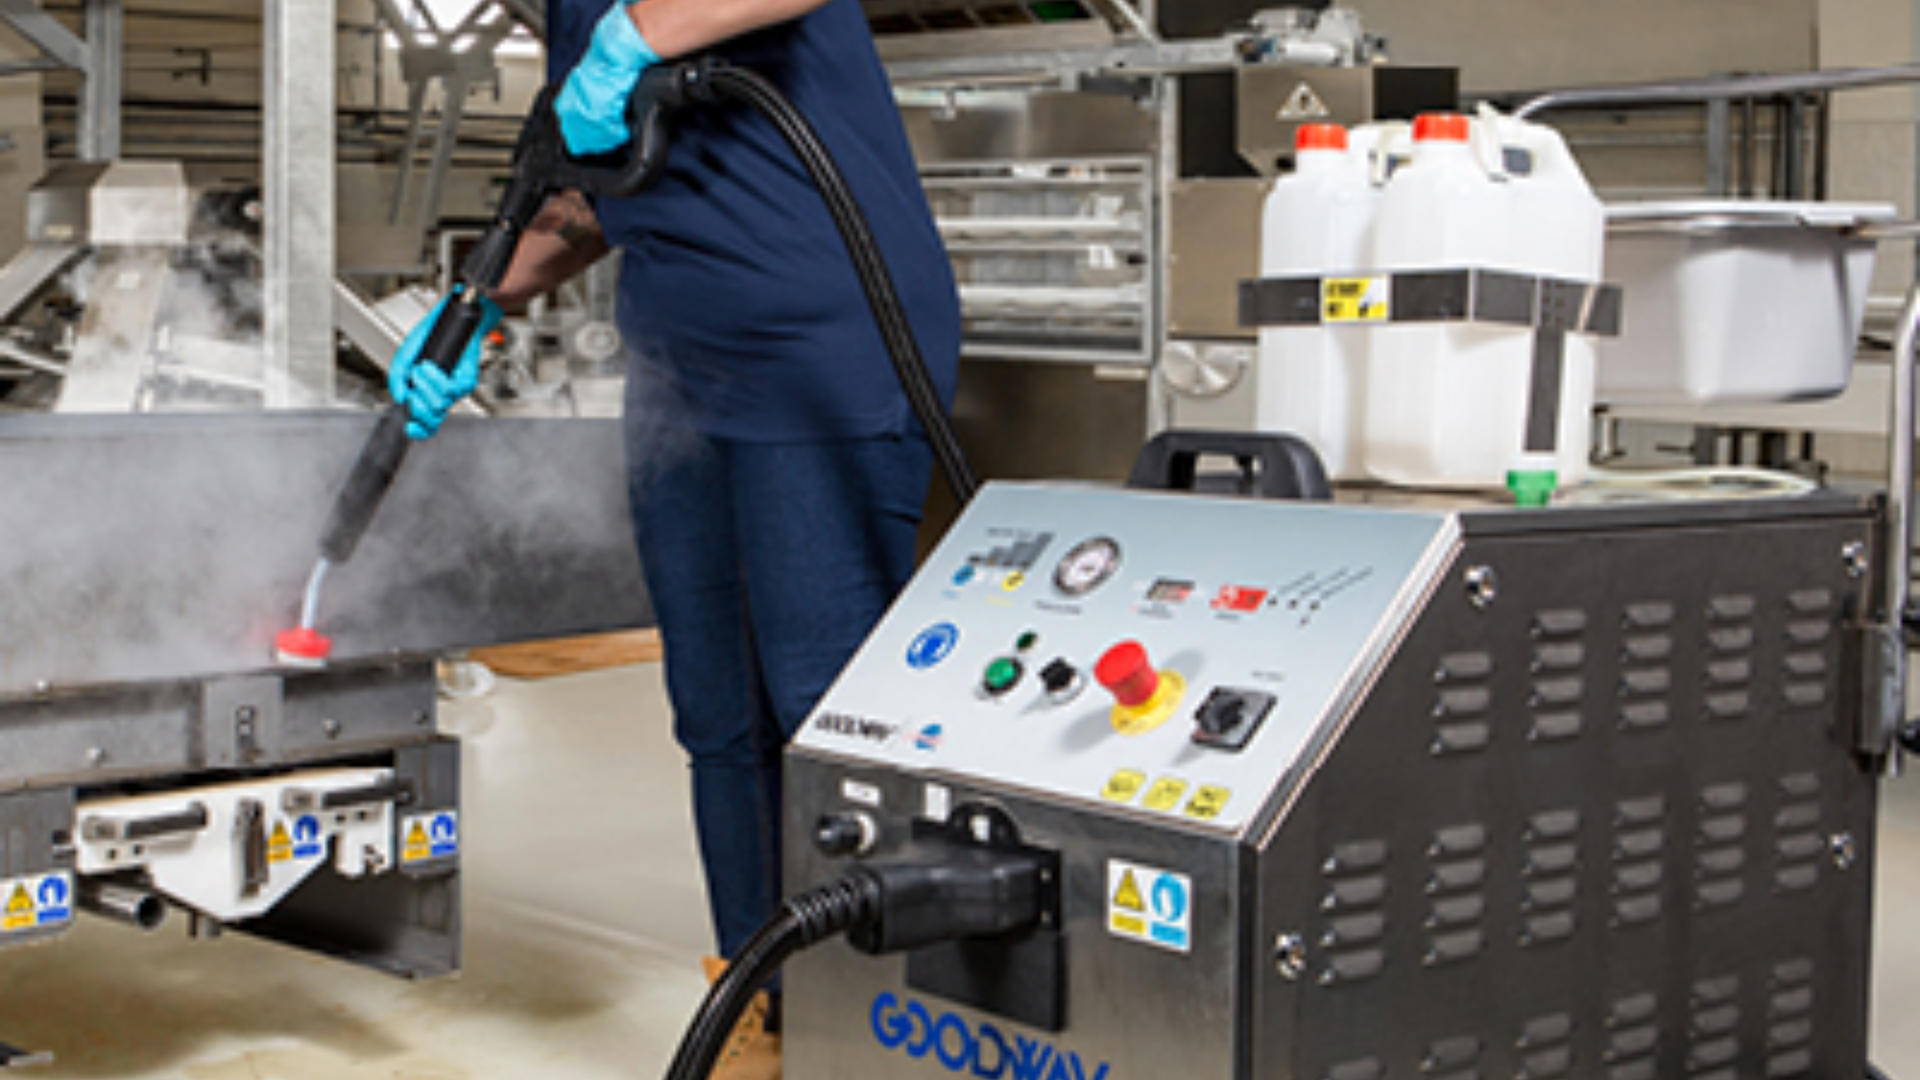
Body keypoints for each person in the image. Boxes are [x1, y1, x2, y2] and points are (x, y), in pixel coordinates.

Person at [387, 1, 960, 1076]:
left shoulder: (629, 23)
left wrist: (634, 40)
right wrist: (472, 304)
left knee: (825, 715)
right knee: (717, 713)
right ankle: (761, 997)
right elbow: (601, 195)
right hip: (682, 373)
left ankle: (865, 1028)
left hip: (822, 344)